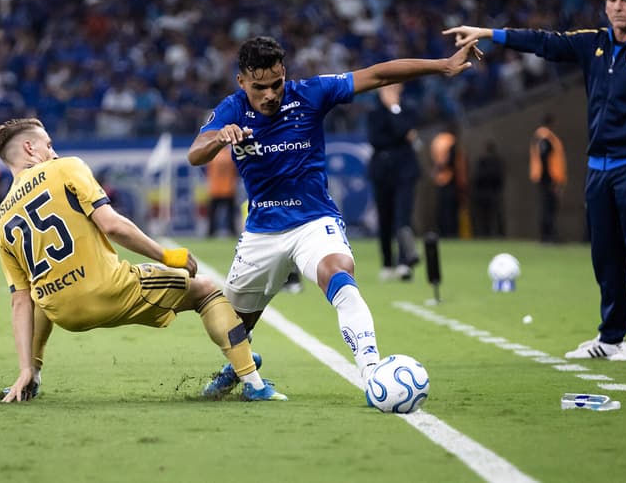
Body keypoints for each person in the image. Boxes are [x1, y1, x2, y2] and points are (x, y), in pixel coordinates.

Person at [187, 35, 480, 397]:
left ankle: (373, 375)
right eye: (260, 87)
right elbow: (195, 153)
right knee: (228, 325)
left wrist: (443, 65)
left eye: (277, 83)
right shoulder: (231, 110)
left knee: (339, 273)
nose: (270, 94)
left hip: (314, 221)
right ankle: (239, 367)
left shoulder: (311, 93)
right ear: (242, 82)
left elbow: (378, 75)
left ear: (284, 73)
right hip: (262, 231)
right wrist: (219, 138)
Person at [445, 0, 626, 361]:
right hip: (598, 168)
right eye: (612, 0)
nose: (617, 7)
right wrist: (488, 33)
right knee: (605, 256)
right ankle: (610, 337)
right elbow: (544, 42)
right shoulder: (593, 43)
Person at [0, 118, 285, 402]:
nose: (53, 152)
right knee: (205, 290)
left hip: (64, 314)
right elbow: (112, 225)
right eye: (48, 145)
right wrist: (167, 255)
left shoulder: (2, 219)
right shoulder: (65, 167)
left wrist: (24, 367)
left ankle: (32, 376)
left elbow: (20, 301)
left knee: (38, 293)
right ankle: (253, 382)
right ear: (29, 147)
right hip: (111, 291)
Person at [366, 83, 421, 280]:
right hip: (382, 172)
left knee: (403, 217)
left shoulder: (409, 109)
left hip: (405, 172)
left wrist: (394, 108)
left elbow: (402, 129)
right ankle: (387, 262)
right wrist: (401, 136)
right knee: (385, 218)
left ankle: (405, 262)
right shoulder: (374, 113)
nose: (390, 91)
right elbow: (376, 139)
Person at [530, 113, 567, 242]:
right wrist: (552, 181)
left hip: (547, 178)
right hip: (548, 179)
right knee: (548, 207)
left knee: (548, 207)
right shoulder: (545, 138)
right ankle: (548, 236)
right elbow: (544, 159)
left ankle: (548, 235)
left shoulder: (543, 137)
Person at [429, 122, 467, 238]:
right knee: (449, 211)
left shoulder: (440, 140)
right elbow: (451, 162)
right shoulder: (450, 142)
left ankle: (447, 233)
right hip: (450, 181)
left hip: (444, 180)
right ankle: (450, 233)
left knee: (445, 210)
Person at [471, 139, 506, 237]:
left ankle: (498, 234)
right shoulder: (481, 161)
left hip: (492, 193)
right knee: (483, 216)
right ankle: (485, 234)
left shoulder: (496, 162)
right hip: (482, 194)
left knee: (495, 215)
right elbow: (476, 178)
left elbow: (498, 178)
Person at [205, 146, 239, 237]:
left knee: (212, 214)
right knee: (230, 214)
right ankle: (232, 231)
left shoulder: (213, 156)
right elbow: (235, 172)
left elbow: (208, 172)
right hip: (228, 189)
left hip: (215, 189)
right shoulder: (230, 156)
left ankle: (210, 232)